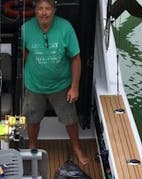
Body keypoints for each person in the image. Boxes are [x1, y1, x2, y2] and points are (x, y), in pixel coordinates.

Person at [21, 0, 89, 165]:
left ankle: (77, 146)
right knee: (32, 119)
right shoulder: (25, 29)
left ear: (54, 10)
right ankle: (32, 145)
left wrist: (74, 87)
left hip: (61, 85)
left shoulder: (66, 28)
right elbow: (24, 53)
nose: (44, 13)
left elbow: (75, 59)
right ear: (35, 11)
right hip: (34, 85)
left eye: (47, 9)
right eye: (40, 9)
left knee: (70, 119)